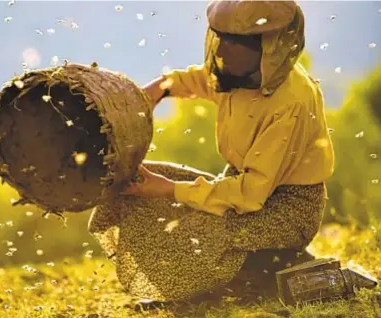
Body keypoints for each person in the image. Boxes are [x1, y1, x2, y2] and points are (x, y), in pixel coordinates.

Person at [117, 0, 335, 307]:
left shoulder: (292, 102)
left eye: (237, 43)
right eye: (222, 38)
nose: (222, 50)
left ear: (269, 45)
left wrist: (166, 188)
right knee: (142, 186)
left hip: (289, 208)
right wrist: (157, 90)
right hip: (241, 188)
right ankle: (269, 267)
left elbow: (249, 195)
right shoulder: (239, 73)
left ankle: (279, 271)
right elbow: (197, 79)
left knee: (194, 229)